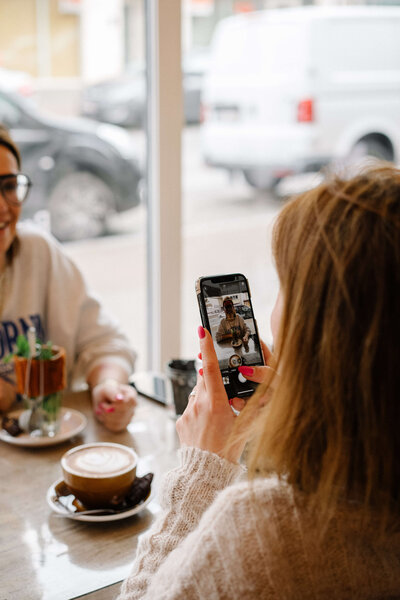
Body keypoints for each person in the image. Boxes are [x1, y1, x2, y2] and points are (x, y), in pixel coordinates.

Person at [118, 165, 400, 598]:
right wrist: (298, 428)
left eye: (287, 286)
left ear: (325, 332)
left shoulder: (261, 527)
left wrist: (202, 469)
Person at [0, 125, 136, 432]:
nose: (3, 207)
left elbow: (104, 341)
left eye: (9, 185)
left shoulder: (39, 252)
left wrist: (108, 385)